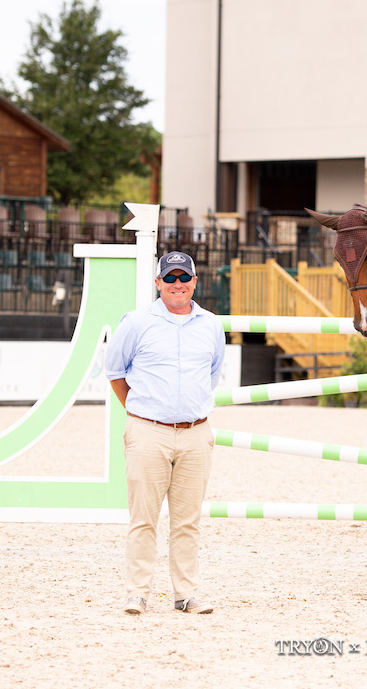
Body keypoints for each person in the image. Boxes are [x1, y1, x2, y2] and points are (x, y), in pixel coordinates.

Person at [105, 250, 227, 616]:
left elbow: (212, 374)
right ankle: (137, 593)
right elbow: (114, 372)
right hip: (148, 431)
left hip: (195, 434)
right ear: (157, 283)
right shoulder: (136, 322)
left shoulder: (211, 326)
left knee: (188, 521)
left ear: (194, 282)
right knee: (143, 518)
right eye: (169, 278)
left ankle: (185, 594)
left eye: (183, 277)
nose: (177, 284)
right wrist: (143, 412)